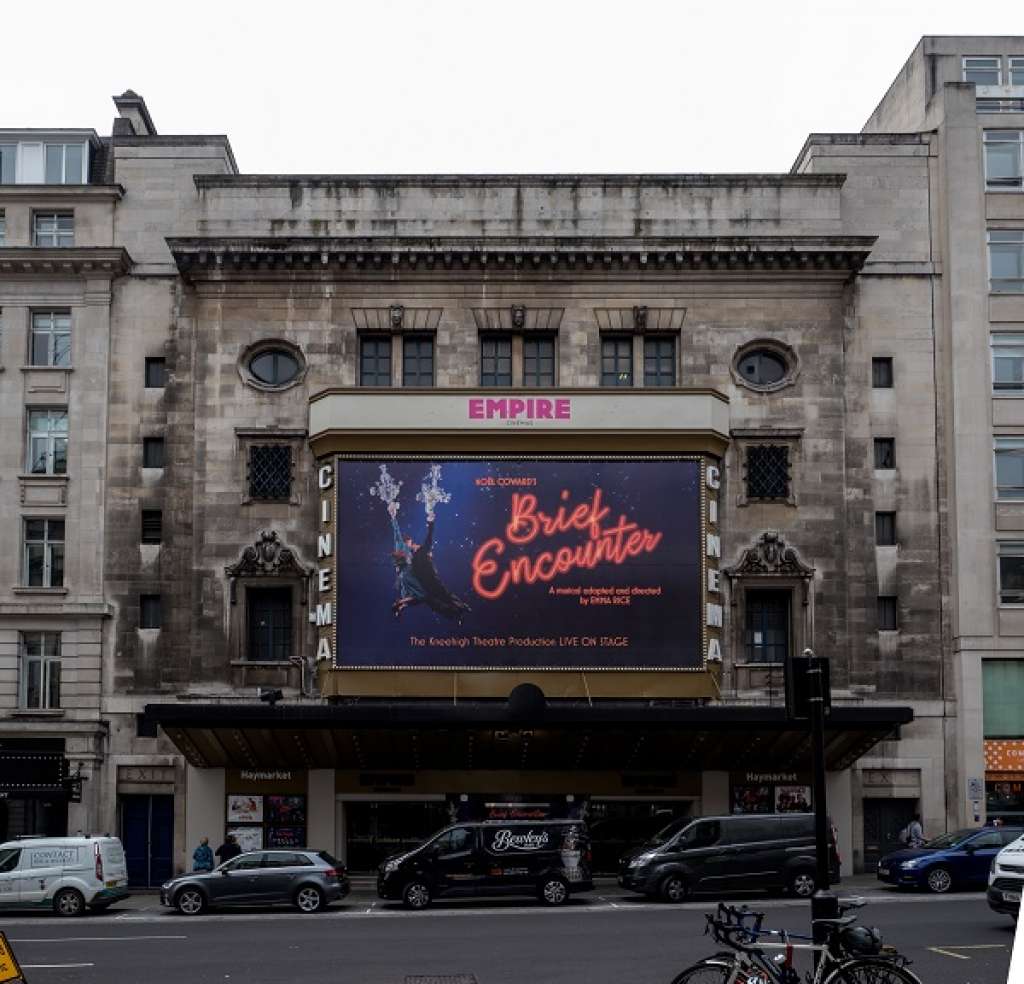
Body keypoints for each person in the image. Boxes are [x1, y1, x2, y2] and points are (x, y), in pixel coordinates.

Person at [389, 509, 470, 622]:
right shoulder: (404, 549)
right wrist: (393, 517)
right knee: (433, 599)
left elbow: (422, 546)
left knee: (434, 600)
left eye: (411, 544)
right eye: (410, 543)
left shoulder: (413, 553)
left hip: (415, 579)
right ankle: (458, 611)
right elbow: (397, 533)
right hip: (414, 578)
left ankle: (458, 611)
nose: (411, 545)